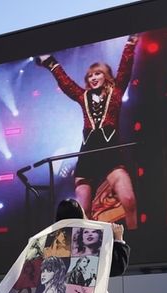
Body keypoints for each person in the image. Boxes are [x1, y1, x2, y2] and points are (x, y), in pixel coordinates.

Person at [37, 35, 139, 230]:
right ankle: (86, 249)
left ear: (106, 75)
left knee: (129, 199)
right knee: (82, 212)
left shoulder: (116, 92)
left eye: (97, 74)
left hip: (111, 153)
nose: (93, 78)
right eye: (90, 76)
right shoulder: (83, 96)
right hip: (88, 155)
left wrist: (131, 43)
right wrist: (50, 62)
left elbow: (125, 69)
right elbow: (66, 83)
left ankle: (137, 240)